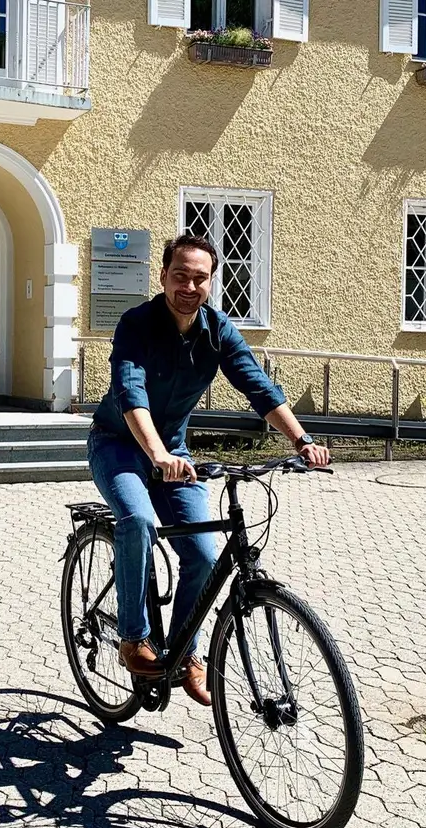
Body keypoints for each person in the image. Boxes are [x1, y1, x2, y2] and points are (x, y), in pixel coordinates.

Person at [87, 233, 331, 707]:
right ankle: (133, 639)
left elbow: (257, 386)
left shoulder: (218, 330)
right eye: (181, 275)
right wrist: (156, 455)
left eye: (200, 278)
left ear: (211, 282)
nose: (189, 285)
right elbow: (130, 393)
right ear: (163, 277)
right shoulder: (136, 324)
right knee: (137, 520)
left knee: (201, 552)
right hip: (119, 445)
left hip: (174, 453)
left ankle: (184, 654)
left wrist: (301, 440)